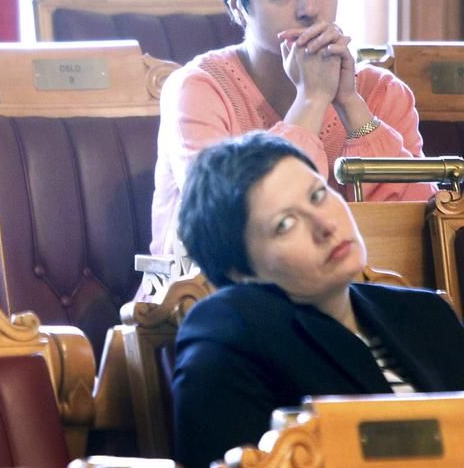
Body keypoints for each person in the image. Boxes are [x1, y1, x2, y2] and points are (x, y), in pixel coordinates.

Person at [150, 0, 431, 256]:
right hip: (218, 289)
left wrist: (351, 105)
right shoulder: (197, 90)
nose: (309, 8)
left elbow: (423, 227)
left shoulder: (381, 91)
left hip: (358, 289)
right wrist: (311, 99)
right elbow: (237, 229)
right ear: (237, 5)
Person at [172, 132, 464, 468]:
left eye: (318, 195)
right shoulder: (228, 340)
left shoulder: (426, 313)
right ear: (239, 272)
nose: (325, 225)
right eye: (285, 224)